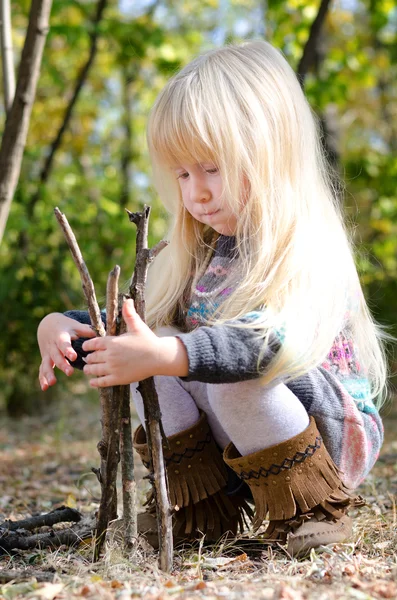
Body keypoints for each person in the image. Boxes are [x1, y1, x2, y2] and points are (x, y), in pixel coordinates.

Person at [37, 40, 387, 557]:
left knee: (213, 372)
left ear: (270, 153)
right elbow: (146, 324)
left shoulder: (305, 249)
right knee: (147, 352)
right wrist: (63, 323)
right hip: (243, 437)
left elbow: (264, 346)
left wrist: (170, 354)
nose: (196, 192)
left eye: (212, 167)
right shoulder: (202, 252)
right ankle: (202, 506)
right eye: (182, 174)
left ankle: (310, 511)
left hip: (328, 435)